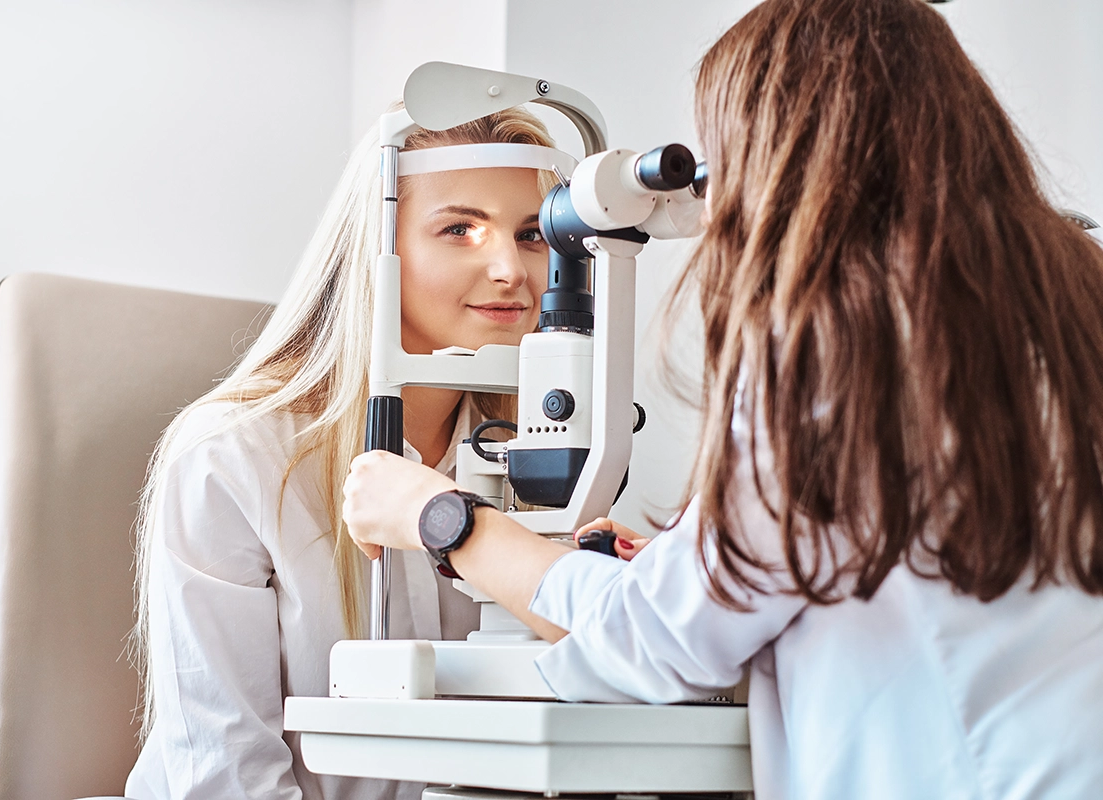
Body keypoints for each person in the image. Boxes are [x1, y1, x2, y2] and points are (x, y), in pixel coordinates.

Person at [341, 1, 1103, 798]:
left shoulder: (850, 344)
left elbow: (652, 640)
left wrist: (442, 517)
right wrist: (693, 562)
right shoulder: (1064, 303)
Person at [124, 105, 561, 799]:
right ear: (377, 250)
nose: (510, 268)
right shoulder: (233, 458)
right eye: (461, 229)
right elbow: (225, 774)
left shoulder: (544, 461)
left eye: (532, 234)